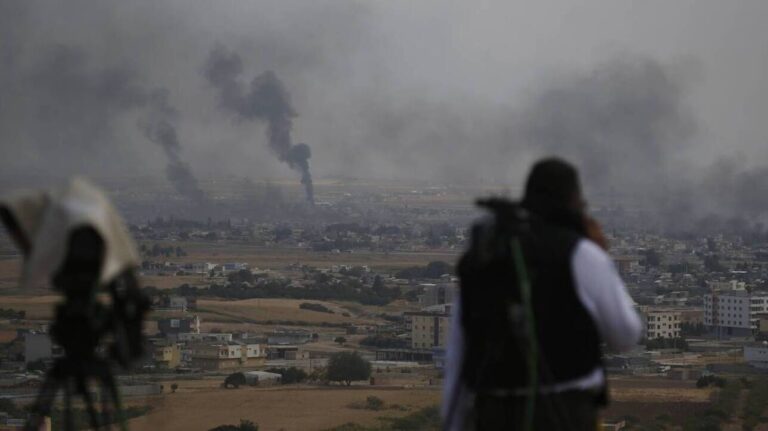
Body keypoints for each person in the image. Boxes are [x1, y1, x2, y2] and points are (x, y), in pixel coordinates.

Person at [442, 158, 642, 431]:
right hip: (565, 413)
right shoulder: (580, 253)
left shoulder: (486, 255)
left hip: (494, 414)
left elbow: (458, 353)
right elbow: (625, 335)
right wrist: (601, 254)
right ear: (574, 199)